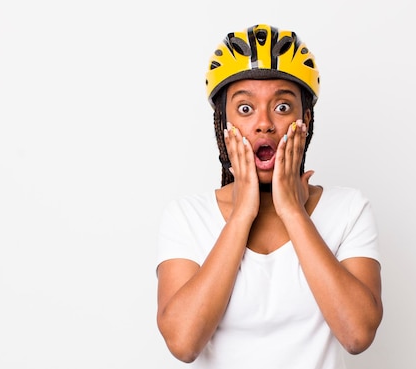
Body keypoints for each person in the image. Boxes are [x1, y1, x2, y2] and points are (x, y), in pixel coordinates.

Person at [156, 24, 382, 369]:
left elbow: (357, 335)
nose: (264, 124)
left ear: (305, 118)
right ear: (223, 124)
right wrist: (242, 214)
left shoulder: (348, 209)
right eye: (245, 109)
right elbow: (184, 343)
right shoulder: (186, 216)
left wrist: (292, 211)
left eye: (282, 107)